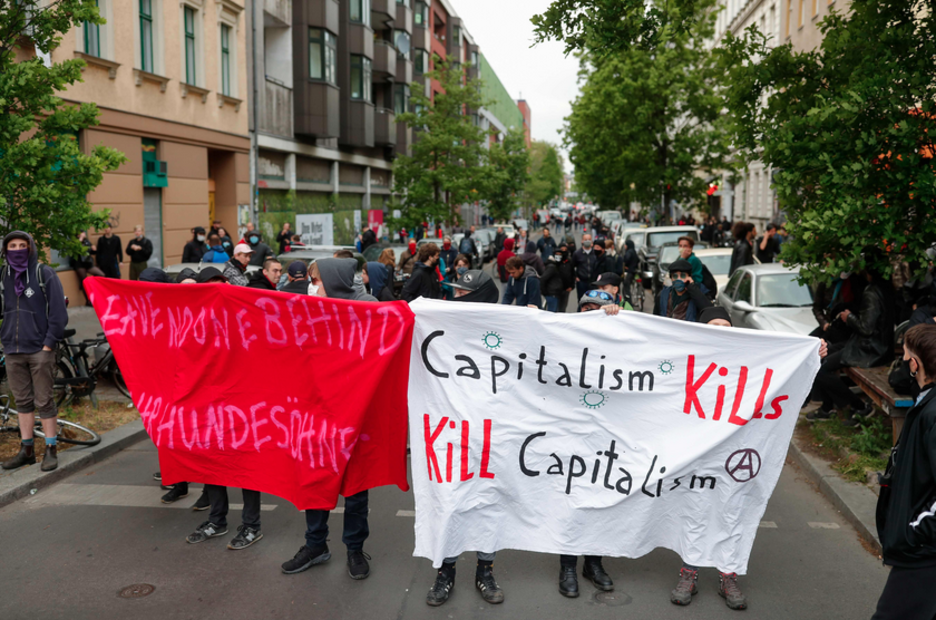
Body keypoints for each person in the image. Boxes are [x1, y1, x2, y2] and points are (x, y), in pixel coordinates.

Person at [281, 258, 375, 579]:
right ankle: (316, 544)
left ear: (333, 282)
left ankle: (354, 549)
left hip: (355, 416)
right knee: (315, 480)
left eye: (316, 280)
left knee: (355, 488)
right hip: (316, 417)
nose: (312, 286)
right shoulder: (306, 312)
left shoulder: (367, 310)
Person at [669, 305, 748, 610]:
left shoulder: (750, 360)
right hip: (697, 451)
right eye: (713, 324)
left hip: (733, 452)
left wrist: (813, 353)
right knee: (695, 510)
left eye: (725, 325)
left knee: (730, 512)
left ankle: (727, 575)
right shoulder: (689, 359)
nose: (720, 329)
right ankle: (689, 572)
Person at [872, 324, 936, 620]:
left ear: (915, 364)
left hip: (923, 557)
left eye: (905, 356)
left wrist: (914, 533)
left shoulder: (933, 413)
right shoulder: (926, 405)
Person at [0, 232, 68, 473]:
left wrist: (49, 343)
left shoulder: (43, 273)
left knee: (44, 400)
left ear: (30, 248)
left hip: (40, 348)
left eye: (22, 245)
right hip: (12, 349)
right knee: (23, 402)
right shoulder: (3, 275)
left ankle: (50, 449)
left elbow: (59, 313)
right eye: (12, 246)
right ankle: (26, 450)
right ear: (5, 249)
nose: (17, 249)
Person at [808, 266, 894, 424]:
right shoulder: (878, 288)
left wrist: (849, 318)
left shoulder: (867, 289)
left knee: (821, 370)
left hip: (867, 347)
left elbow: (866, 328)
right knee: (818, 358)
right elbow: (817, 307)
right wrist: (827, 323)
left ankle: (859, 406)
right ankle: (829, 407)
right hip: (858, 342)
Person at [69, 231, 104, 304]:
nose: (84, 234)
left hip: (88, 263)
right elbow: (74, 250)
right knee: (84, 281)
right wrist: (80, 240)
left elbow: (91, 252)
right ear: (78, 235)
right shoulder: (74, 242)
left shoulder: (87, 241)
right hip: (79, 264)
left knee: (101, 275)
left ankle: (96, 292)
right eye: (82, 233)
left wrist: (94, 250)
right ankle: (88, 301)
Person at [573, 234, 598, 304]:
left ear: (592, 242)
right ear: (582, 241)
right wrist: (575, 277)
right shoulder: (577, 254)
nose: (587, 241)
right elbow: (572, 266)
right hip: (582, 282)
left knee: (593, 302)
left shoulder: (595, 253)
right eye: (585, 239)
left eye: (589, 240)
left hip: (593, 282)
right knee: (582, 301)